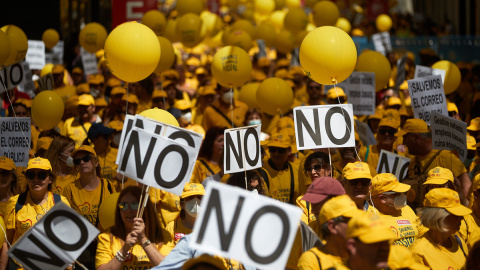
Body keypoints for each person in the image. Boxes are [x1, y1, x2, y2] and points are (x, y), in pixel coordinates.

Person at [5, 158, 70, 269]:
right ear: (26, 178)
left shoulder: (61, 202)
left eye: (41, 175)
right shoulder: (15, 203)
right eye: (31, 175)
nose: (36, 179)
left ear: (50, 179)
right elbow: (7, 243)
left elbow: (68, 240)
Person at [396, 118, 471, 206]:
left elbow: (467, 187)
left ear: (416, 137)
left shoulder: (447, 157)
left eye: (405, 137)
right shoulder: (413, 162)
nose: (404, 142)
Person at [62, 145, 115, 269]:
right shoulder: (69, 189)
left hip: (106, 247)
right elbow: (65, 221)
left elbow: (115, 215)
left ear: (96, 162)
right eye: (77, 161)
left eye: (86, 159)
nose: (82, 162)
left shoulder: (108, 186)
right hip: (82, 251)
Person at [96, 186, 169, 269]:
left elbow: (168, 267)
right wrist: (124, 250)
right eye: (123, 205)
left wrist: (144, 240)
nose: (129, 210)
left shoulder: (163, 235)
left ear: (145, 208)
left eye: (135, 205)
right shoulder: (107, 237)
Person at [410, 188, 471, 269]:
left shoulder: (459, 242)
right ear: (438, 217)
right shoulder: (418, 252)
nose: (461, 218)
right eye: (456, 215)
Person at [297, 195, 362, 270]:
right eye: (350, 220)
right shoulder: (312, 260)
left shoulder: (362, 254)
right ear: (332, 227)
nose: (357, 224)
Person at [368, 173, 418, 247]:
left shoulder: (406, 208)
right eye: (398, 193)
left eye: (403, 192)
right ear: (382, 199)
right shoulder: (368, 217)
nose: (403, 195)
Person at [262, 132, 302, 204]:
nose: (276, 153)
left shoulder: (297, 170)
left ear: (289, 150)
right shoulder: (261, 171)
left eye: (281, 150)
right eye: (272, 149)